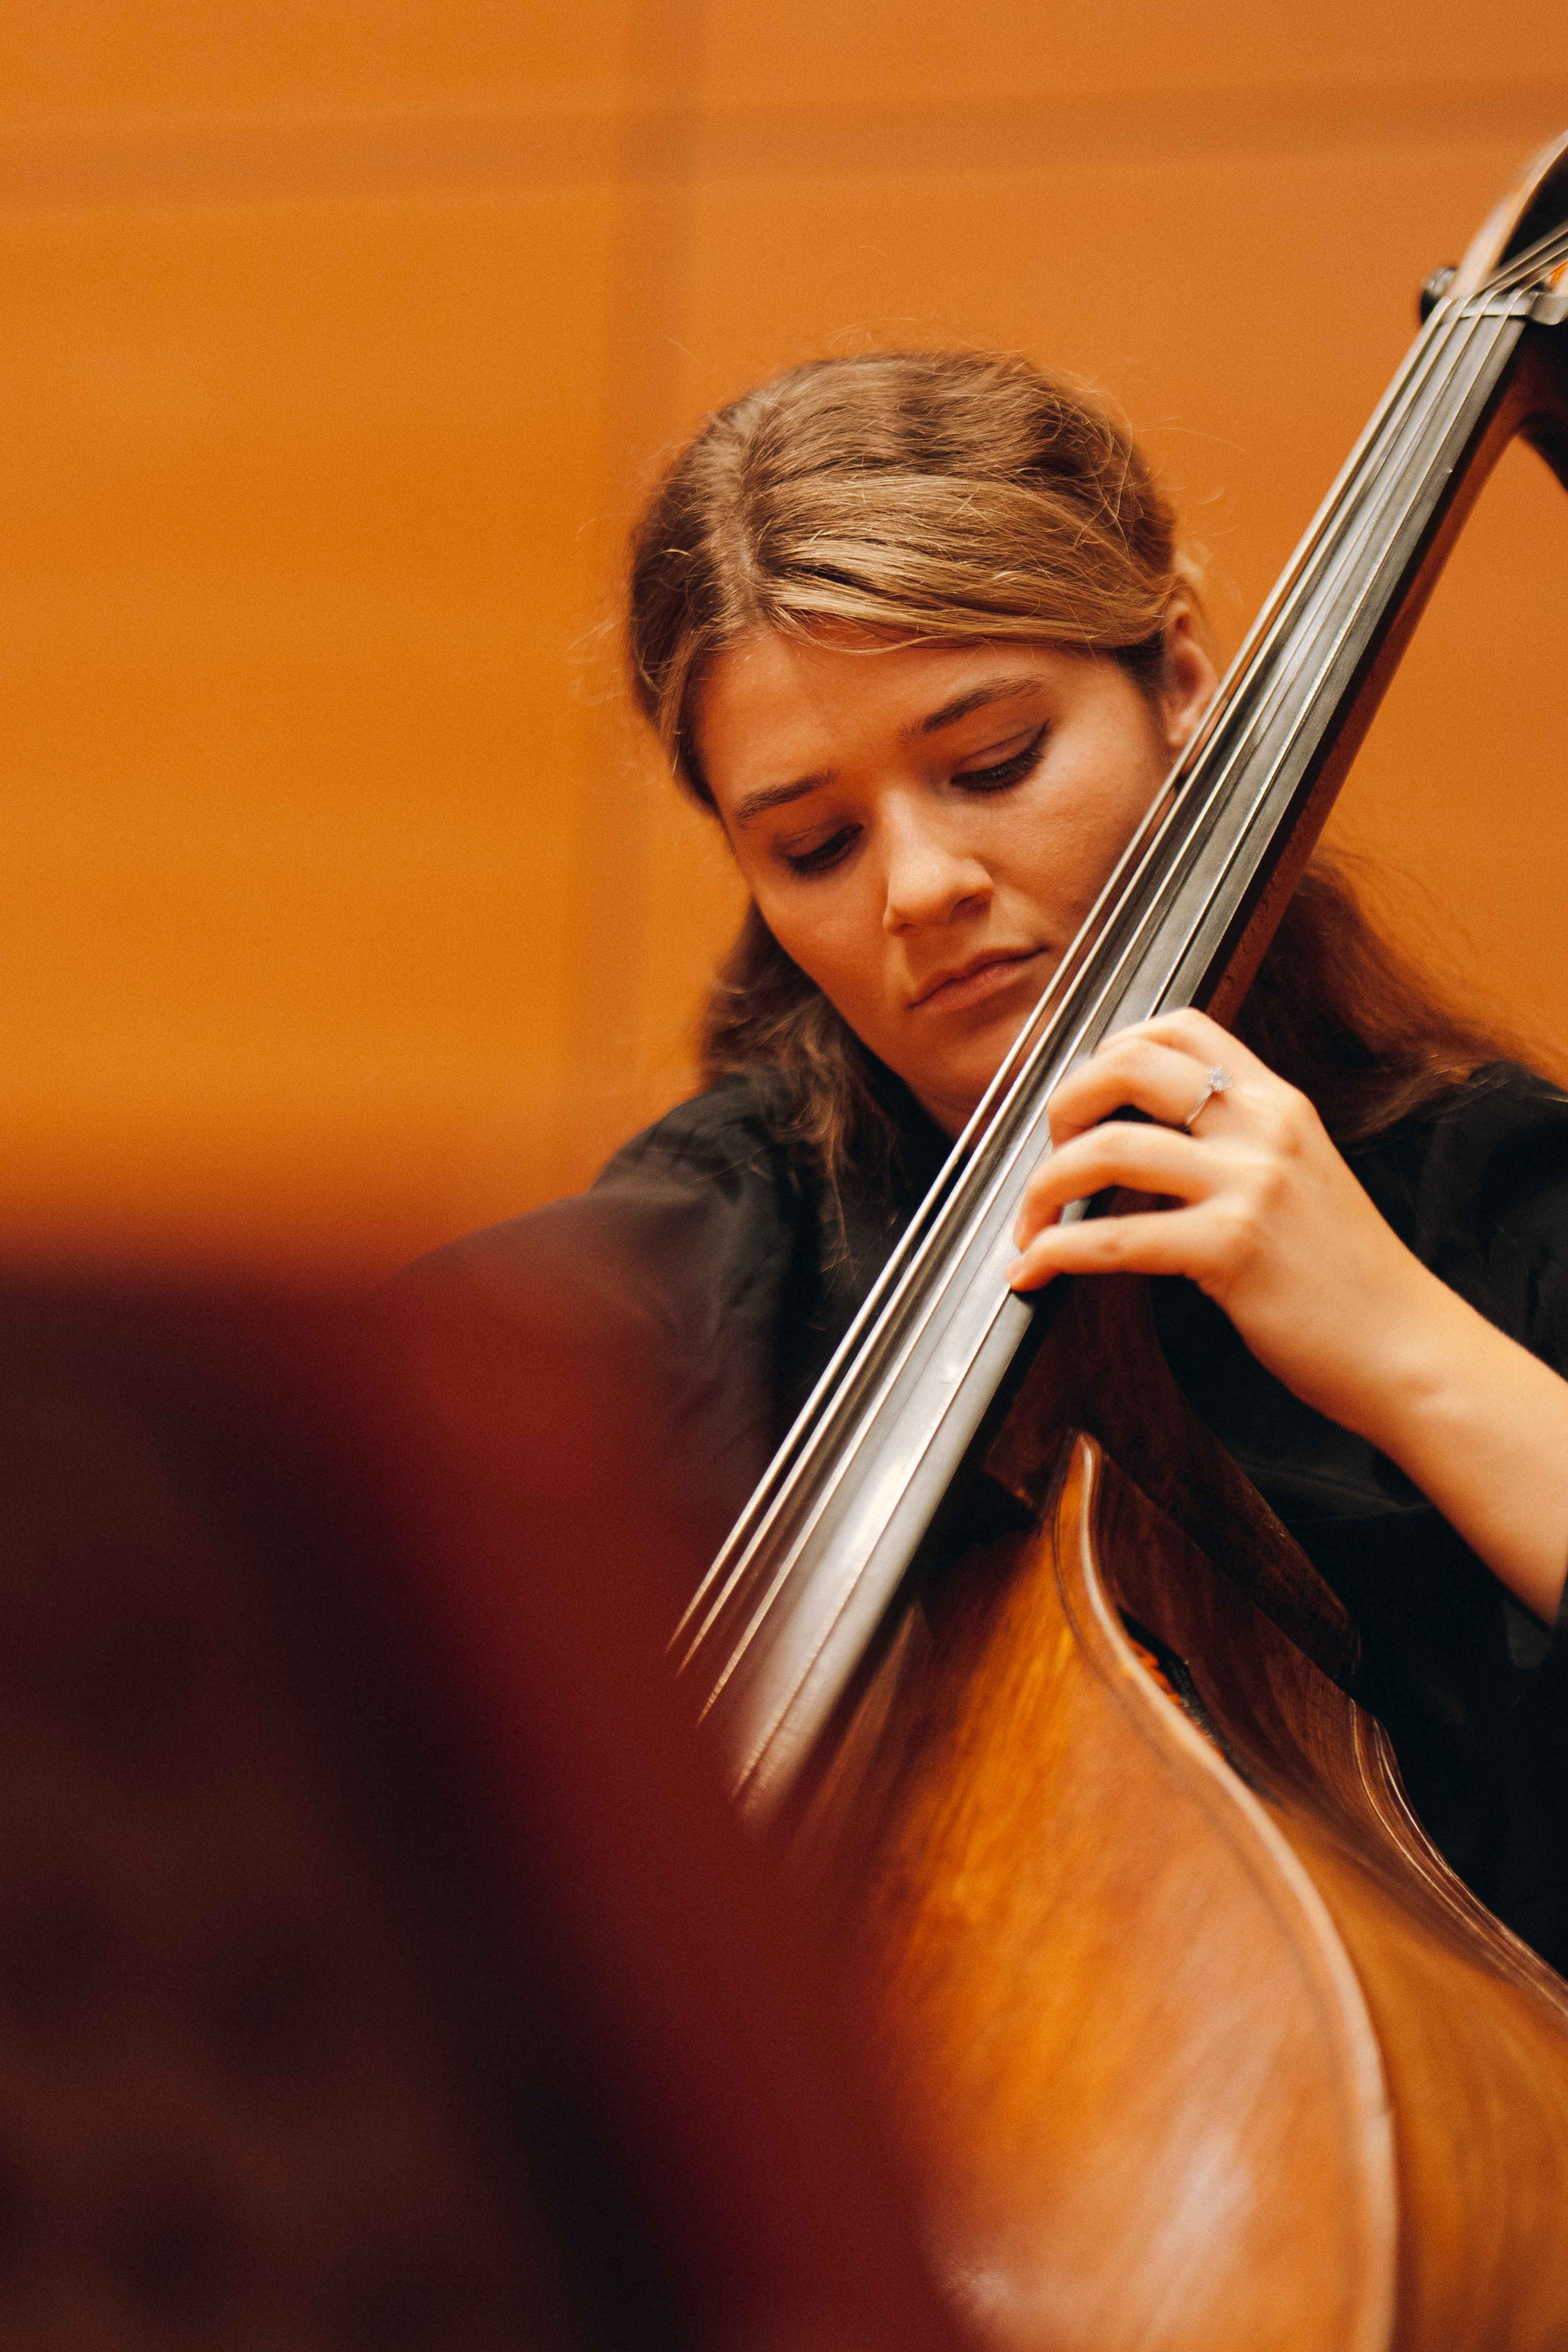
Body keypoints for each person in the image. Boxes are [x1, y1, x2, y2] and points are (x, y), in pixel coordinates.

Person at [424, 349, 1568, 1969]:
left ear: (1178, 683)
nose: (918, 886)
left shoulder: (1496, 1206)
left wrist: (1398, 1343)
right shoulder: (737, 1239)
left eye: (991, 764)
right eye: (813, 847)